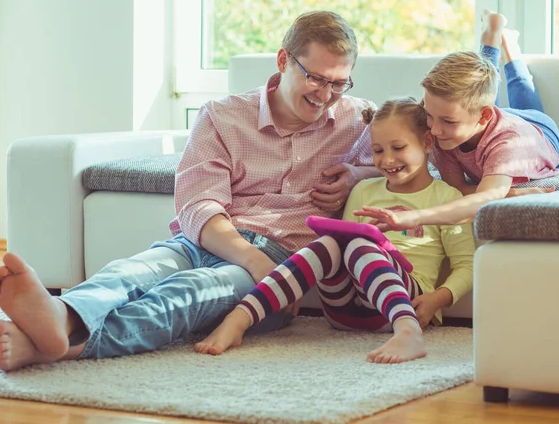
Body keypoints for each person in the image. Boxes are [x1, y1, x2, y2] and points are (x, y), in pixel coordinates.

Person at [0, 10, 382, 372]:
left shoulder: (358, 119)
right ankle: (63, 314)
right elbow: (198, 205)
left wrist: (357, 174)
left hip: (283, 263)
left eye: (338, 82)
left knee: (186, 293)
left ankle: (63, 345)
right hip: (206, 241)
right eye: (316, 77)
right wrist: (251, 259)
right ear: (283, 60)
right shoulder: (223, 116)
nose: (326, 93)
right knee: (132, 271)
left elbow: (414, 166)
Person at [194, 98, 475, 364]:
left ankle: (408, 333)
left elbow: (467, 265)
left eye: (398, 148)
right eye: (378, 150)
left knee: (360, 244)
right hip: (345, 312)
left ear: (427, 142)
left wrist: (438, 299)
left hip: (406, 305)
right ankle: (239, 318)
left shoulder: (446, 199)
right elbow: (342, 249)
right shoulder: (365, 189)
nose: (387, 160)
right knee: (333, 241)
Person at [358, 10, 559, 232]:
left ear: (485, 116)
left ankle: (508, 46)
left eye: (448, 121)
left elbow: (483, 198)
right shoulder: (442, 130)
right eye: (430, 114)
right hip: (486, 117)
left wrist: (416, 217)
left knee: (521, 91)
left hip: (541, 131)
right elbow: (458, 188)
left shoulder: (509, 143)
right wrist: (512, 193)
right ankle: (491, 36)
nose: (436, 131)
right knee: (475, 97)